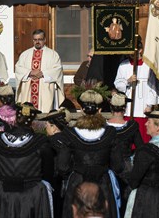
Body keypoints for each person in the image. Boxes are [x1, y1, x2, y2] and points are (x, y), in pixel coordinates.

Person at [50, 90, 121, 218]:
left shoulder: (71, 133)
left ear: (82, 110)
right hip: (103, 185)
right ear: (99, 110)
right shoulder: (110, 133)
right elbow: (118, 165)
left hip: (77, 184)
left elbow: (62, 166)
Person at [0, 102, 54, 217]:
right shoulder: (41, 142)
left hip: (5, 196)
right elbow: (48, 173)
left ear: (16, 118)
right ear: (33, 120)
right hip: (32, 198)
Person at [114, 42, 159, 142]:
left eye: (134, 50)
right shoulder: (124, 65)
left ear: (140, 50)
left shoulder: (148, 66)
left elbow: (153, 86)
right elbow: (117, 83)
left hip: (143, 106)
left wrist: (149, 104)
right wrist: (127, 81)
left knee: (142, 136)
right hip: (129, 108)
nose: (131, 53)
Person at [15, 29, 64, 113]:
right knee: (27, 113)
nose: (37, 42)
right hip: (28, 89)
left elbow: (57, 70)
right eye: (35, 40)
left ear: (44, 40)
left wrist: (43, 73)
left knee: (44, 113)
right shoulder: (25, 54)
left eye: (40, 39)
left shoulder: (53, 54)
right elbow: (18, 68)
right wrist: (30, 72)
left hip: (44, 90)